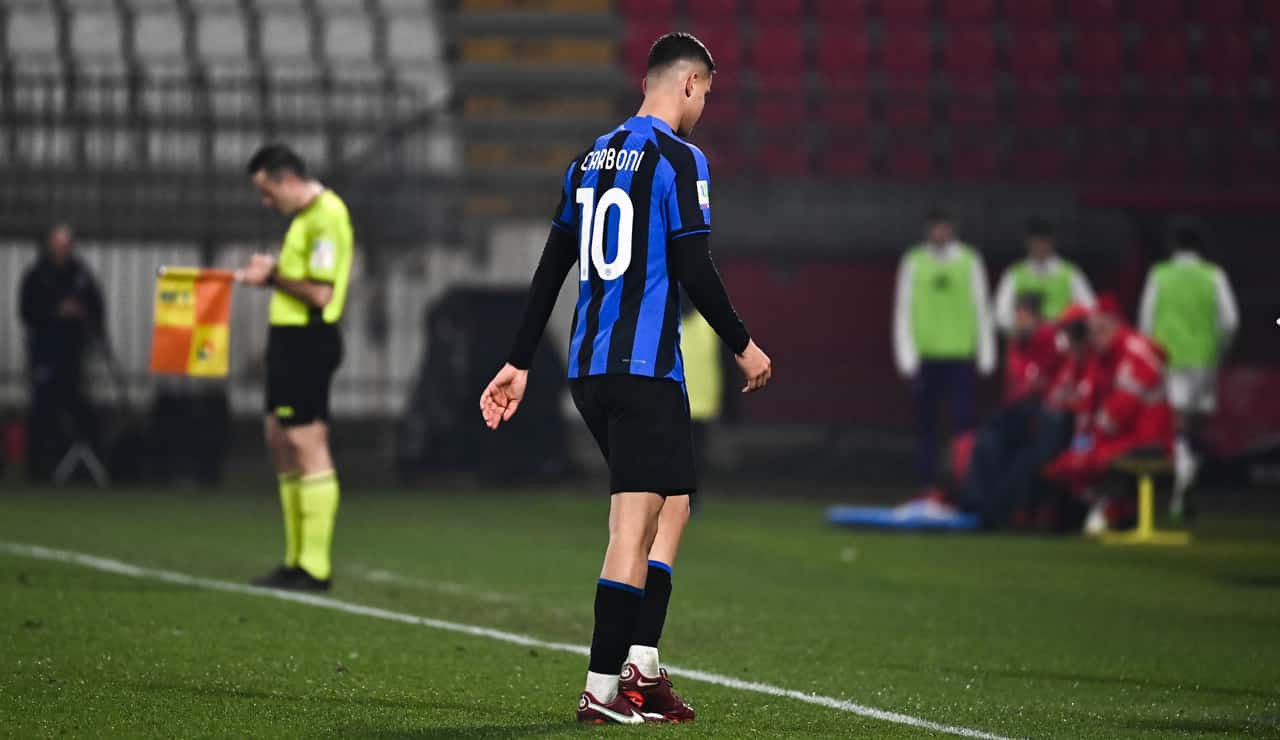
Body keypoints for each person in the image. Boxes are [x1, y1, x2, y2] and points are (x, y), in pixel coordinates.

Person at [479, 33, 772, 725]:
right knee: (633, 524)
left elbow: (552, 269)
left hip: (590, 369)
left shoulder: (586, 161)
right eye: (707, 94)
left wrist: (518, 360)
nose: (704, 109)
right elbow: (695, 267)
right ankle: (603, 690)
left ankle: (640, 666)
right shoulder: (680, 158)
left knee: (673, 507)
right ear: (691, 84)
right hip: (644, 370)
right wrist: (744, 345)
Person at [237, 145, 353, 592]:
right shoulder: (305, 219)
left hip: (308, 338)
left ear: (286, 179)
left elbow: (321, 294)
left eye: (268, 192)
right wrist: (269, 273)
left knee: (307, 440)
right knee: (281, 440)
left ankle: (315, 567)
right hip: (287, 340)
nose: (267, 203)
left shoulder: (327, 216)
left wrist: (272, 276)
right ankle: (294, 560)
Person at [1044, 301, 1174, 533]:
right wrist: (1083, 444)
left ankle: (1111, 509)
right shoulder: (1098, 359)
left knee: (1087, 460)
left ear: (1115, 327)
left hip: (1148, 439)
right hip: (1116, 438)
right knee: (1066, 463)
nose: (1095, 338)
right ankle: (1107, 508)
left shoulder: (1134, 351)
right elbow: (1085, 407)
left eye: (1100, 331)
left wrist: (1091, 440)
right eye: (1092, 332)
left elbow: (1120, 409)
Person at [892, 209, 996, 498]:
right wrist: (907, 356)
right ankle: (927, 487)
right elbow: (903, 309)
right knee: (926, 428)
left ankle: (963, 486)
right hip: (926, 359)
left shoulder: (969, 261)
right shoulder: (914, 261)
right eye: (934, 227)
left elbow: (981, 306)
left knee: (963, 427)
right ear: (928, 230)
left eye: (944, 227)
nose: (939, 233)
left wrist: (986, 352)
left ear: (952, 229)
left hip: (960, 356)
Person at [1138, 223, 1239, 518]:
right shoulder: (1214, 275)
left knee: (1176, 425)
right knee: (1194, 426)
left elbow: (1145, 318)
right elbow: (1230, 321)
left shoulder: (1159, 274)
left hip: (1168, 357)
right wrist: (1218, 351)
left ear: (1174, 247)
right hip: (1204, 359)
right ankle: (1187, 478)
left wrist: (1149, 357)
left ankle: (1182, 488)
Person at [18, 224, 105, 481]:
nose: (62, 250)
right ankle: (38, 468)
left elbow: (97, 309)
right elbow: (26, 312)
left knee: (76, 408)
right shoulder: (36, 275)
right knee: (42, 410)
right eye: (57, 245)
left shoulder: (81, 275)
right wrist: (55, 312)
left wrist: (82, 315)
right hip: (44, 355)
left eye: (66, 245)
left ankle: (77, 469)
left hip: (74, 356)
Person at [993, 219, 1095, 334]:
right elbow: (1000, 315)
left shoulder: (1070, 273)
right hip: (1025, 342)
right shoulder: (1014, 273)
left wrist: (1063, 321)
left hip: (1060, 343)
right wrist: (1021, 323)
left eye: (1043, 241)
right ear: (1028, 242)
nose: (1039, 245)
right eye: (1035, 241)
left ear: (1052, 242)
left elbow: (1090, 309)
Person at [680, 298, 724, 473]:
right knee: (694, 457)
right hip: (701, 404)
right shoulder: (709, 322)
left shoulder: (663, 319)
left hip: (677, 402)